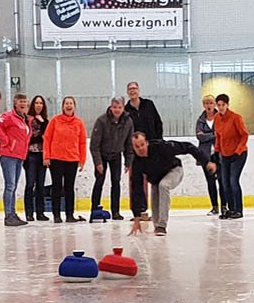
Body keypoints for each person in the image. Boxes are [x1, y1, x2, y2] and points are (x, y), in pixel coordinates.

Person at [129, 132, 211, 237]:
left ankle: (162, 226)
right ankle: (157, 225)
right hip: (156, 180)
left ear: (147, 143)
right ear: (133, 147)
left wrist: (206, 162)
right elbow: (137, 189)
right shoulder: (137, 163)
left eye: (142, 144)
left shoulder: (162, 147)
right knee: (155, 199)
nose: (140, 149)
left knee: (164, 185)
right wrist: (137, 219)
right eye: (137, 146)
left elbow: (188, 146)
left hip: (174, 170)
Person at [123, 82, 164, 220]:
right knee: (137, 181)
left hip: (152, 148)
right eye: (130, 89)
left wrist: (158, 142)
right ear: (127, 92)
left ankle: (156, 211)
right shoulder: (126, 110)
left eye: (134, 88)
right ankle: (140, 210)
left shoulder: (149, 104)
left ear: (139, 90)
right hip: (135, 151)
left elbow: (158, 123)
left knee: (155, 180)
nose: (132, 91)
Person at [88, 97, 133, 218]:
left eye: (119, 107)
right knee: (99, 181)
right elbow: (94, 145)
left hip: (116, 155)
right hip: (102, 154)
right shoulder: (101, 121)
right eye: (115, 107)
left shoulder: (128, 122)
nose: (117, 110)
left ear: (123, 108)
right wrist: (98, 162)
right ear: (111, 107)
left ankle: (116, 211)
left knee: (116, 182)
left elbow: (129, 144)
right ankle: (94, 209)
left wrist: (128, 162)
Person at [46, 96, 88, 223]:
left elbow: (82, 143)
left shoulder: (79, 123)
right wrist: (46, 156)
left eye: (71, 103)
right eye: (66, 103)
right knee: (57, 187)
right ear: (63, 106)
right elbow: (47, 138)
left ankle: (70, 214)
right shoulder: (55, 120)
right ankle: (56, 215)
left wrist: (82, 160)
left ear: (74, 106)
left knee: (69, 187)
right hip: (56, 158)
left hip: (72, 159)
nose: (69, 105)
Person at [0, 93, 33, 227]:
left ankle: (13, 213)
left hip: (19, 156)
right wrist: (6, 141)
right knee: (10, 186)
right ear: (15, 103)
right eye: (20, 101)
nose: (23, 104)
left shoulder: (25, 120)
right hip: (9, 155)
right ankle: (8, 215)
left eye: (25, 101)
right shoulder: (9, 116)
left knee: (14, 186)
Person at [211, 93, 250, 219]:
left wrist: (238, 151)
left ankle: (238, 209)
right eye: (219, 105)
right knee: (225, 182)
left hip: (239, 154)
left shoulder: (236, 118)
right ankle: (230, 209)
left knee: (233, 180)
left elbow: (244, 135)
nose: (221, 107)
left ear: (228, 105)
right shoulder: (216, 118)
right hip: (225, 154)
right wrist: (217, 151)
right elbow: (218, 136)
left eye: (223, 105)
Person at [194, 95, 223, 216]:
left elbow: (222, 133)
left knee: (222, 181)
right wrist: (213, 134)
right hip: (205, 155)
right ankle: (215, 206)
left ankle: (224, 206)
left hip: (220, 154)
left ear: (214, 104)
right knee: (210, 182)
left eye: (211, 103)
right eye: (206, 103)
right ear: (203, 105)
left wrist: (207, 134)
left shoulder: (220, 118)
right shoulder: (200, 120)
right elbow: (199, 136)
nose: (209, 105)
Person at [25, 95, 51, 221]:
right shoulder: (28, 119)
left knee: (40, 184)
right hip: (30, 155)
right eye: (36, 103)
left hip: (42, 155)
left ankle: (40, 212)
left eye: (41, 103)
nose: (38, 105)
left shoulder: (45, 121)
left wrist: (42, 123)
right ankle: (29, 212)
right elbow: (30, 137)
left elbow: (47, 137)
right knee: (30, 183)